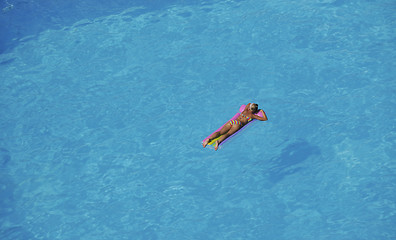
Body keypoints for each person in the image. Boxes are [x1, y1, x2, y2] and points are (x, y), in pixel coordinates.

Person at [202, 103, 268, 150]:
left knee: (220, 132)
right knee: (228, 134)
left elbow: (249, 103)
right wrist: (261, 111)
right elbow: (265, 119)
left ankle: (209, 139)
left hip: (233, 121)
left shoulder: (245, 110)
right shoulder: (253, 116)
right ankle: (218, 142)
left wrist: (251, 105)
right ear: (255, 110)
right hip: (238, 124)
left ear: (249, 108)